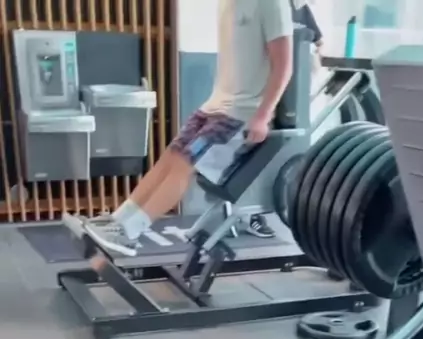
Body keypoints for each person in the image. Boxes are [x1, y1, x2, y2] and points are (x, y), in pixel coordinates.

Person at [75, 0, 295, 257]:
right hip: (213, 107)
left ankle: (130, 233)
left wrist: (263, 116)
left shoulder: (272, 3)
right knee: (169, 158)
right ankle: (118, 221)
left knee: (185, 165)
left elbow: (284, 66)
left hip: (240, 114)